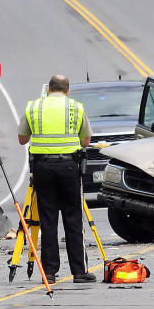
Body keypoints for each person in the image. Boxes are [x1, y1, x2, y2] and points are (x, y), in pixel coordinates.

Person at [18, 75, 96, 284]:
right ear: (67, 90)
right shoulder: (76, 107)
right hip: (69, 167)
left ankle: (49, 273)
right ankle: (79, 272)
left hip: (42, 168)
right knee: (73, 218)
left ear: (49, 89)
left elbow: (22, 139)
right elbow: (86, 141)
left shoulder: (34, 107)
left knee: (48, 220)